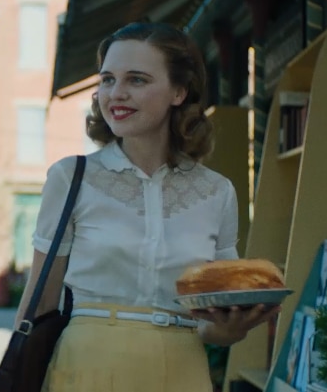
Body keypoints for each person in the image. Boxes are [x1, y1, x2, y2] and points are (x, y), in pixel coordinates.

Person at [14, 22, 280, 392]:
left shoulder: (216, 192)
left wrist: (229, 330)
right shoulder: (70, 178)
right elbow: (39, 302)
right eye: (107, 79)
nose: (116, 94)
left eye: (136, 80)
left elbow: (213, 323)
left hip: (183, 371)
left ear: (179, 91)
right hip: (84, 369)